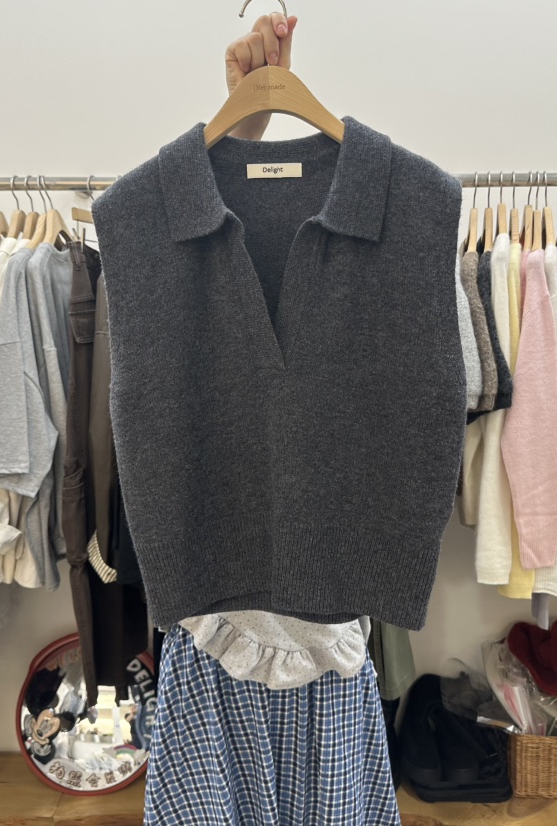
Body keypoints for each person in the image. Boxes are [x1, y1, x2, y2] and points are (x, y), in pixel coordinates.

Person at [141, 12, 401, 826]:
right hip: (214, 631)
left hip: (327, 644)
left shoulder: (399, 224)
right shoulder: (158, 226)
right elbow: (196, 279)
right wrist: (240, 130)